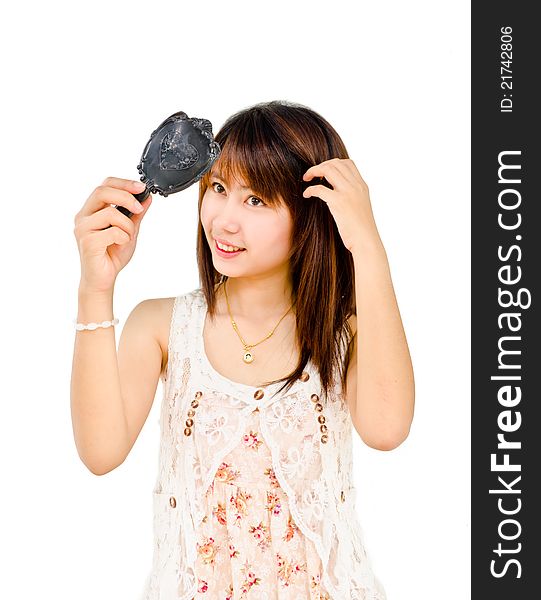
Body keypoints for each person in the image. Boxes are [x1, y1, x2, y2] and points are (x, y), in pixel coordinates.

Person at [71, 100, 415, 600]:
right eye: (218, 189)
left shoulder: (346, 334)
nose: (225, 220)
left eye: (256, 200)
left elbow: (387, 431)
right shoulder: (164, 326)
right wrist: (95, 287)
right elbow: (100, 453)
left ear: (311, 213)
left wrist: (367, 244)